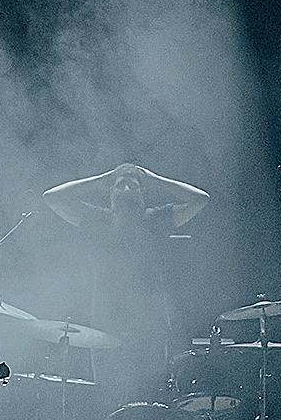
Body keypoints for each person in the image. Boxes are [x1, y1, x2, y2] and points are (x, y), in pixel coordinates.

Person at [42, 163, 210, 405]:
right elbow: (52, 197)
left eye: (134, 185)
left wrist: (155, 179)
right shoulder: (98, 219)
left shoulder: (156, 219)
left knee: (151, 399)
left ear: (143, 194)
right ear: (110, 194)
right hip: (105, 325)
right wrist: (101, 179)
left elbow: (200, 199)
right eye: (120, 185)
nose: (127, 189)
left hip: (149, 328)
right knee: (107, 400)